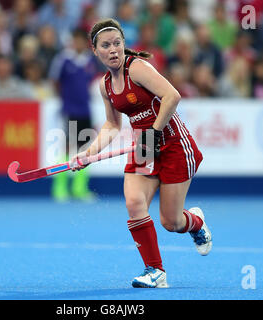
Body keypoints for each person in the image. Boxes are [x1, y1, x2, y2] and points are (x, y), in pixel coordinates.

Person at [71, 18, 212, 288]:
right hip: (144, 146)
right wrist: (87, 153)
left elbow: (172, 96)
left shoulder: (137, 68)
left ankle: (195, 223)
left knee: (171, 222)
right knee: (134, 204)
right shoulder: (105, 85)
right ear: (95, 50)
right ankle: (155, 272)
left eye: (117, 43)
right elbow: (113, 125)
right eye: (106, 45)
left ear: (124, 44)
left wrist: (156, 130)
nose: (113, 49)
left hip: (172, 144)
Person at [48, 27, 99, 202]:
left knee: (85, 150)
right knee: (67, 148)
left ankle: (80, 188)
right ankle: (60, 187)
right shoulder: (63, 59)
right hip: (70, 111)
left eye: (80, 40)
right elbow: (54, 80)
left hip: (86, 110)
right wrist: (65, 99)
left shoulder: (90, 60)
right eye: (75, 39)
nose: (77, 43)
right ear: (71, 41)